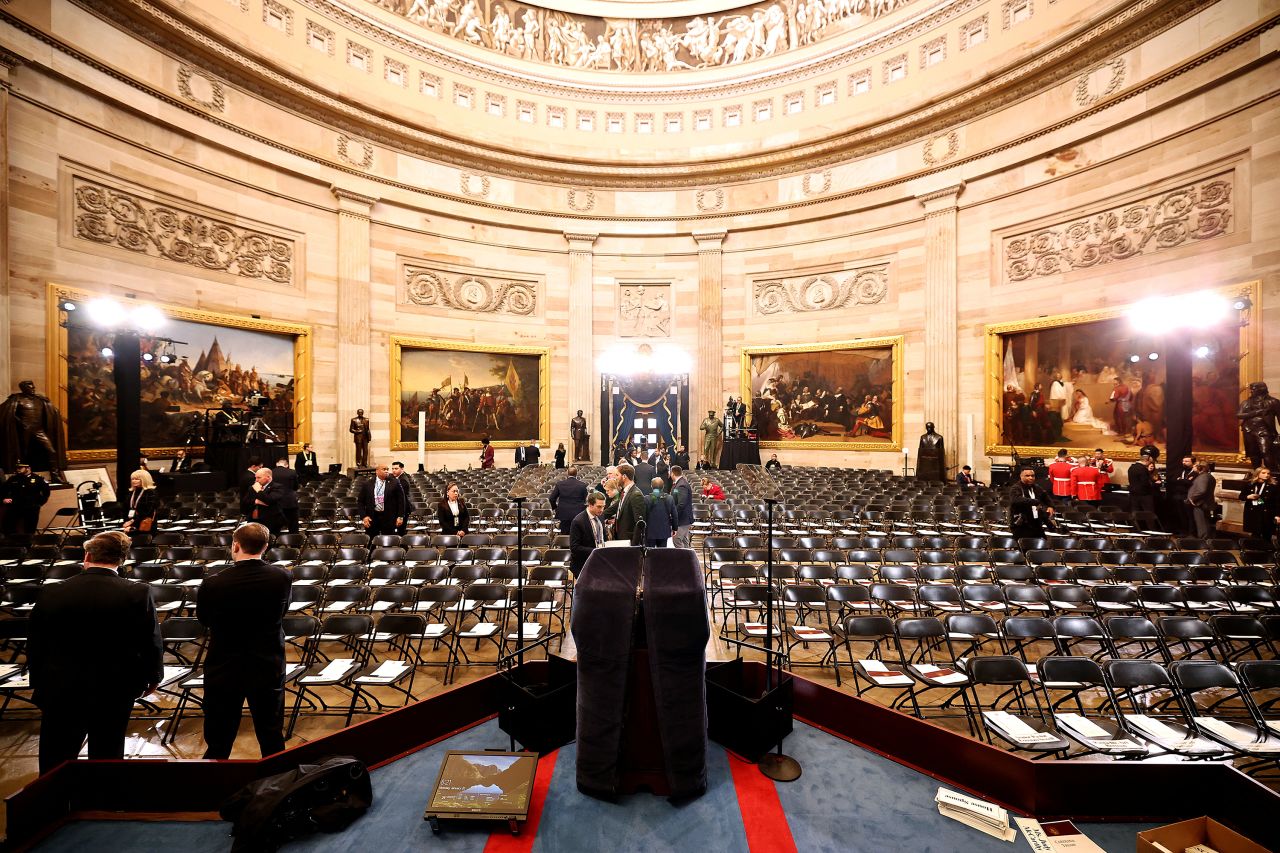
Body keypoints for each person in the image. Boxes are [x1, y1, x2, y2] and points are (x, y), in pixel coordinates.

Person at [28, 530, 161, 773]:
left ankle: (53, 806)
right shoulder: (137, 592)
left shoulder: (52, 591)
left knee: (56, 757)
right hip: (113, 687)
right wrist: (153, 677)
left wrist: (38, 681)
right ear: (121, 560)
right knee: (107, 755)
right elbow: (150, 640)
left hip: (61, 686)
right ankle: (102, 806)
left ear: (87, 555)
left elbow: (36, 642)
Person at [197, 522, 292, 759]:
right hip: (266, 663)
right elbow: (283, 611)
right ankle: (277, 786)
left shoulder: (213, 582)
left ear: (235, 545)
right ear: (266, 546)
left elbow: (204, 619)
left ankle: (214, 790)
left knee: (219, 738)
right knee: (271, 735)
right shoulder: (282, 576)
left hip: (224, 666)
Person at [0, 379, 67, 482]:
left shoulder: (40, 400)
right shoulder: (16, 399)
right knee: (23, 454)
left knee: (51, 451)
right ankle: (21, 477)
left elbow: (51, 411)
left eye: (33, 387)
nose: (33, 389)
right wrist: (20, 423)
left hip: (39, 430)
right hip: (24, 431)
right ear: (24, 389)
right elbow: (7, 412)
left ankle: (55, 475)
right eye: (30, 387)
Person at [1237, 381, 1280, 470]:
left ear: (1261, 390)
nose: (1251, 391)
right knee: (1254, 455)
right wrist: (1256, 412)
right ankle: (1256, 475)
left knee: (1267, 453)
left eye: (1253, 389)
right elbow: (1239, 415)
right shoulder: (1246, 402)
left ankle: (1273, 476)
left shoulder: (1273, 402)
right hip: (1249, 431)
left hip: (1265, 431)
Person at [2, 461, 51, 537]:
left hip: (31, 507)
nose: (18, 469)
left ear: (28, 468)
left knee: (30, 529)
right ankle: (12, 545)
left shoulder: (38, 479)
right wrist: (4, 499)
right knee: (8, 527)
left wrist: (39, 504)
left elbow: (46, 493)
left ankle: (28, 546)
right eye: (17, 468)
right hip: (15, 506)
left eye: (20, 468)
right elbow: (3, 490)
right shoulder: (13, 479)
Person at [359, 463, 406, 537]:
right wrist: (364, 516)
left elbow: (401, 500)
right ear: (377, 471)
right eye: (384, 469)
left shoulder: (395, 482)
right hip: (372, 517)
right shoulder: (367, 483)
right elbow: (360, 502)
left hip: (389, 517)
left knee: (388, 541)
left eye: (387, 469)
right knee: (371, 541)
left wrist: (400, 516)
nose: (386, 471)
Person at [1007, 467, 1054, 540]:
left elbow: (1046, 497)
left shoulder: (1036, 487)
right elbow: (1015, 500)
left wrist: (1050, 506)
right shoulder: (1016, 488)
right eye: (1027, 476)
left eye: (1032, 476)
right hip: (1021, 523)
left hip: (1036, 522)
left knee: (1042, 545)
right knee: (1023, 546)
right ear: (1021, 476)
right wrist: (1034, 501)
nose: (1031, 478)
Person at [569, 491, 607, 576]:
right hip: (584, 563)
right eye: (599, 507)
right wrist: (595, 551)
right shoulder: (578, 521)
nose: (601, 510)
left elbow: (603, 537)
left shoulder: (600, 515)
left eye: (603, 507)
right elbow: (574, 548)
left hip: (600, 560)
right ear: (590, 505)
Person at [607, 463, 646, 543]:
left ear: (624, 477)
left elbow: (639, 524)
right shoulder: (624, 492)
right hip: (620, 539)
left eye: (617, 475)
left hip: (629, 541)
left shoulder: (636, 494)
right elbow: (612, 509)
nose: (615, 478)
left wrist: (634, 546)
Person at [1239, 467, 1278, 542]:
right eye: (1263, 473)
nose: (1266, 475)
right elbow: (1241, 496)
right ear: (1257, 474)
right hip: (1253, 512)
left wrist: (1277, 515)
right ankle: (1254, 550)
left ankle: (1266, 551)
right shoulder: (1250, 484)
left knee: (1267, 534)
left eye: (1268, 473)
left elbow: (1277, 501)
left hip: (1267, 513)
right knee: (1255, 534)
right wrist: (1248, 496)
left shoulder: (1273, 486)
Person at [247, 467, 286, 536]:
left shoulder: (277, 487)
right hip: (254, 519)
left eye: (259, 478)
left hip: (271, 520)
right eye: (255, 478)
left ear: (268, 477)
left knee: (270, 541)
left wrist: (259, 491)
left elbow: (270, 500)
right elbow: (246, 501)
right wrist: (255, 501)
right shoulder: (253, 487)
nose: (256, 480)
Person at [549, 467, 588, 535]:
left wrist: (555, 508)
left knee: (564, 533)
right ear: (576, 474)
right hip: (578, 513)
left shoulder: (560, 484)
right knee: (577, 534)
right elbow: (584, 499)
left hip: (564, 512)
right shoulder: (582, 485)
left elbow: (552, 498)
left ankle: (564, 545)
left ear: (567, 473)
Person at [121, 468, 159, 537]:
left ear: (145, 479)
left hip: (145, 524)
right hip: (131, 524)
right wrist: (126, 522)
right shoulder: (131, 492)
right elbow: (125, 509)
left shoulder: (150, 492)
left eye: (137, 479)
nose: (134, 481)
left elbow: (147, 511)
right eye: (133, 479)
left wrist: (131, 521)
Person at [1186, 461, 1217, 539]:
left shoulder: (1203, 477)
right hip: (1204, 503)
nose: (1193, 467)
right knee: (1204, 522)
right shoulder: (1208, 476)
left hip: (1200, 503)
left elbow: (1202, 490)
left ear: (1201, 468)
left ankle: (1203, 541)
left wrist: (1192, 498)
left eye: (1195, 466)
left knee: (1201, 523)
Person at [643, 478, 677, 548]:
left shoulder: (646, 498)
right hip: (664, 531)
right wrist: (675, 528)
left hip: (650, 531)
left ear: (651, 486)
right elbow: (675, 515)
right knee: (662, 554)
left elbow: (643, 515)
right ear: (663, 486)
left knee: (649, 554)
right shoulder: (670, 498)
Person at [1168, 454, 1198, 533]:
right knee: (1180, 514)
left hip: (1187, 496)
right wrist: (1183, 480)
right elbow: (1173, 480)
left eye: (1187, 461)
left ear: (1193, 463)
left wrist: (1180, 480)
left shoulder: (1195, 472)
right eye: (1183, 461)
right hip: (1177, 495)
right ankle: (1182, 531)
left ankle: (1191, 532)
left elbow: (1189, 482)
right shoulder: (1180, 471)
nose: (1184, 463)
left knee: (1189, 515)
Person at [669, 466, 694, 548]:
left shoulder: (681, 485)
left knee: (676, 539)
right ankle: (688, 559)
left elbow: (681, 504)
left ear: (672, 473)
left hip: (682, 519)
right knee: (684, 541)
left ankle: (682, 559)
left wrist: (673, 514)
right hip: (683, 518)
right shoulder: (679, 483)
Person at [272, 458, 300, 534]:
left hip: (276, 502)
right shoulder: (292, 472)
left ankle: (276, 543)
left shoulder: (271, 472)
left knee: (275, 526)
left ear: (277, 464)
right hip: (290, 502)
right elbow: (296, 487)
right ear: (287, 465)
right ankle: (294, 544)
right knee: (293, 525)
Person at [390, 461, 415, 535]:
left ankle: (403, 545)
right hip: (399, 508)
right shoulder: (397, 478)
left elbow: (401, 497)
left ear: (402, 469)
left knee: (401, 530)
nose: (394, 470)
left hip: (402, 509)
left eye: (396, 468)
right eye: (393, 468)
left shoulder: (403, 480)